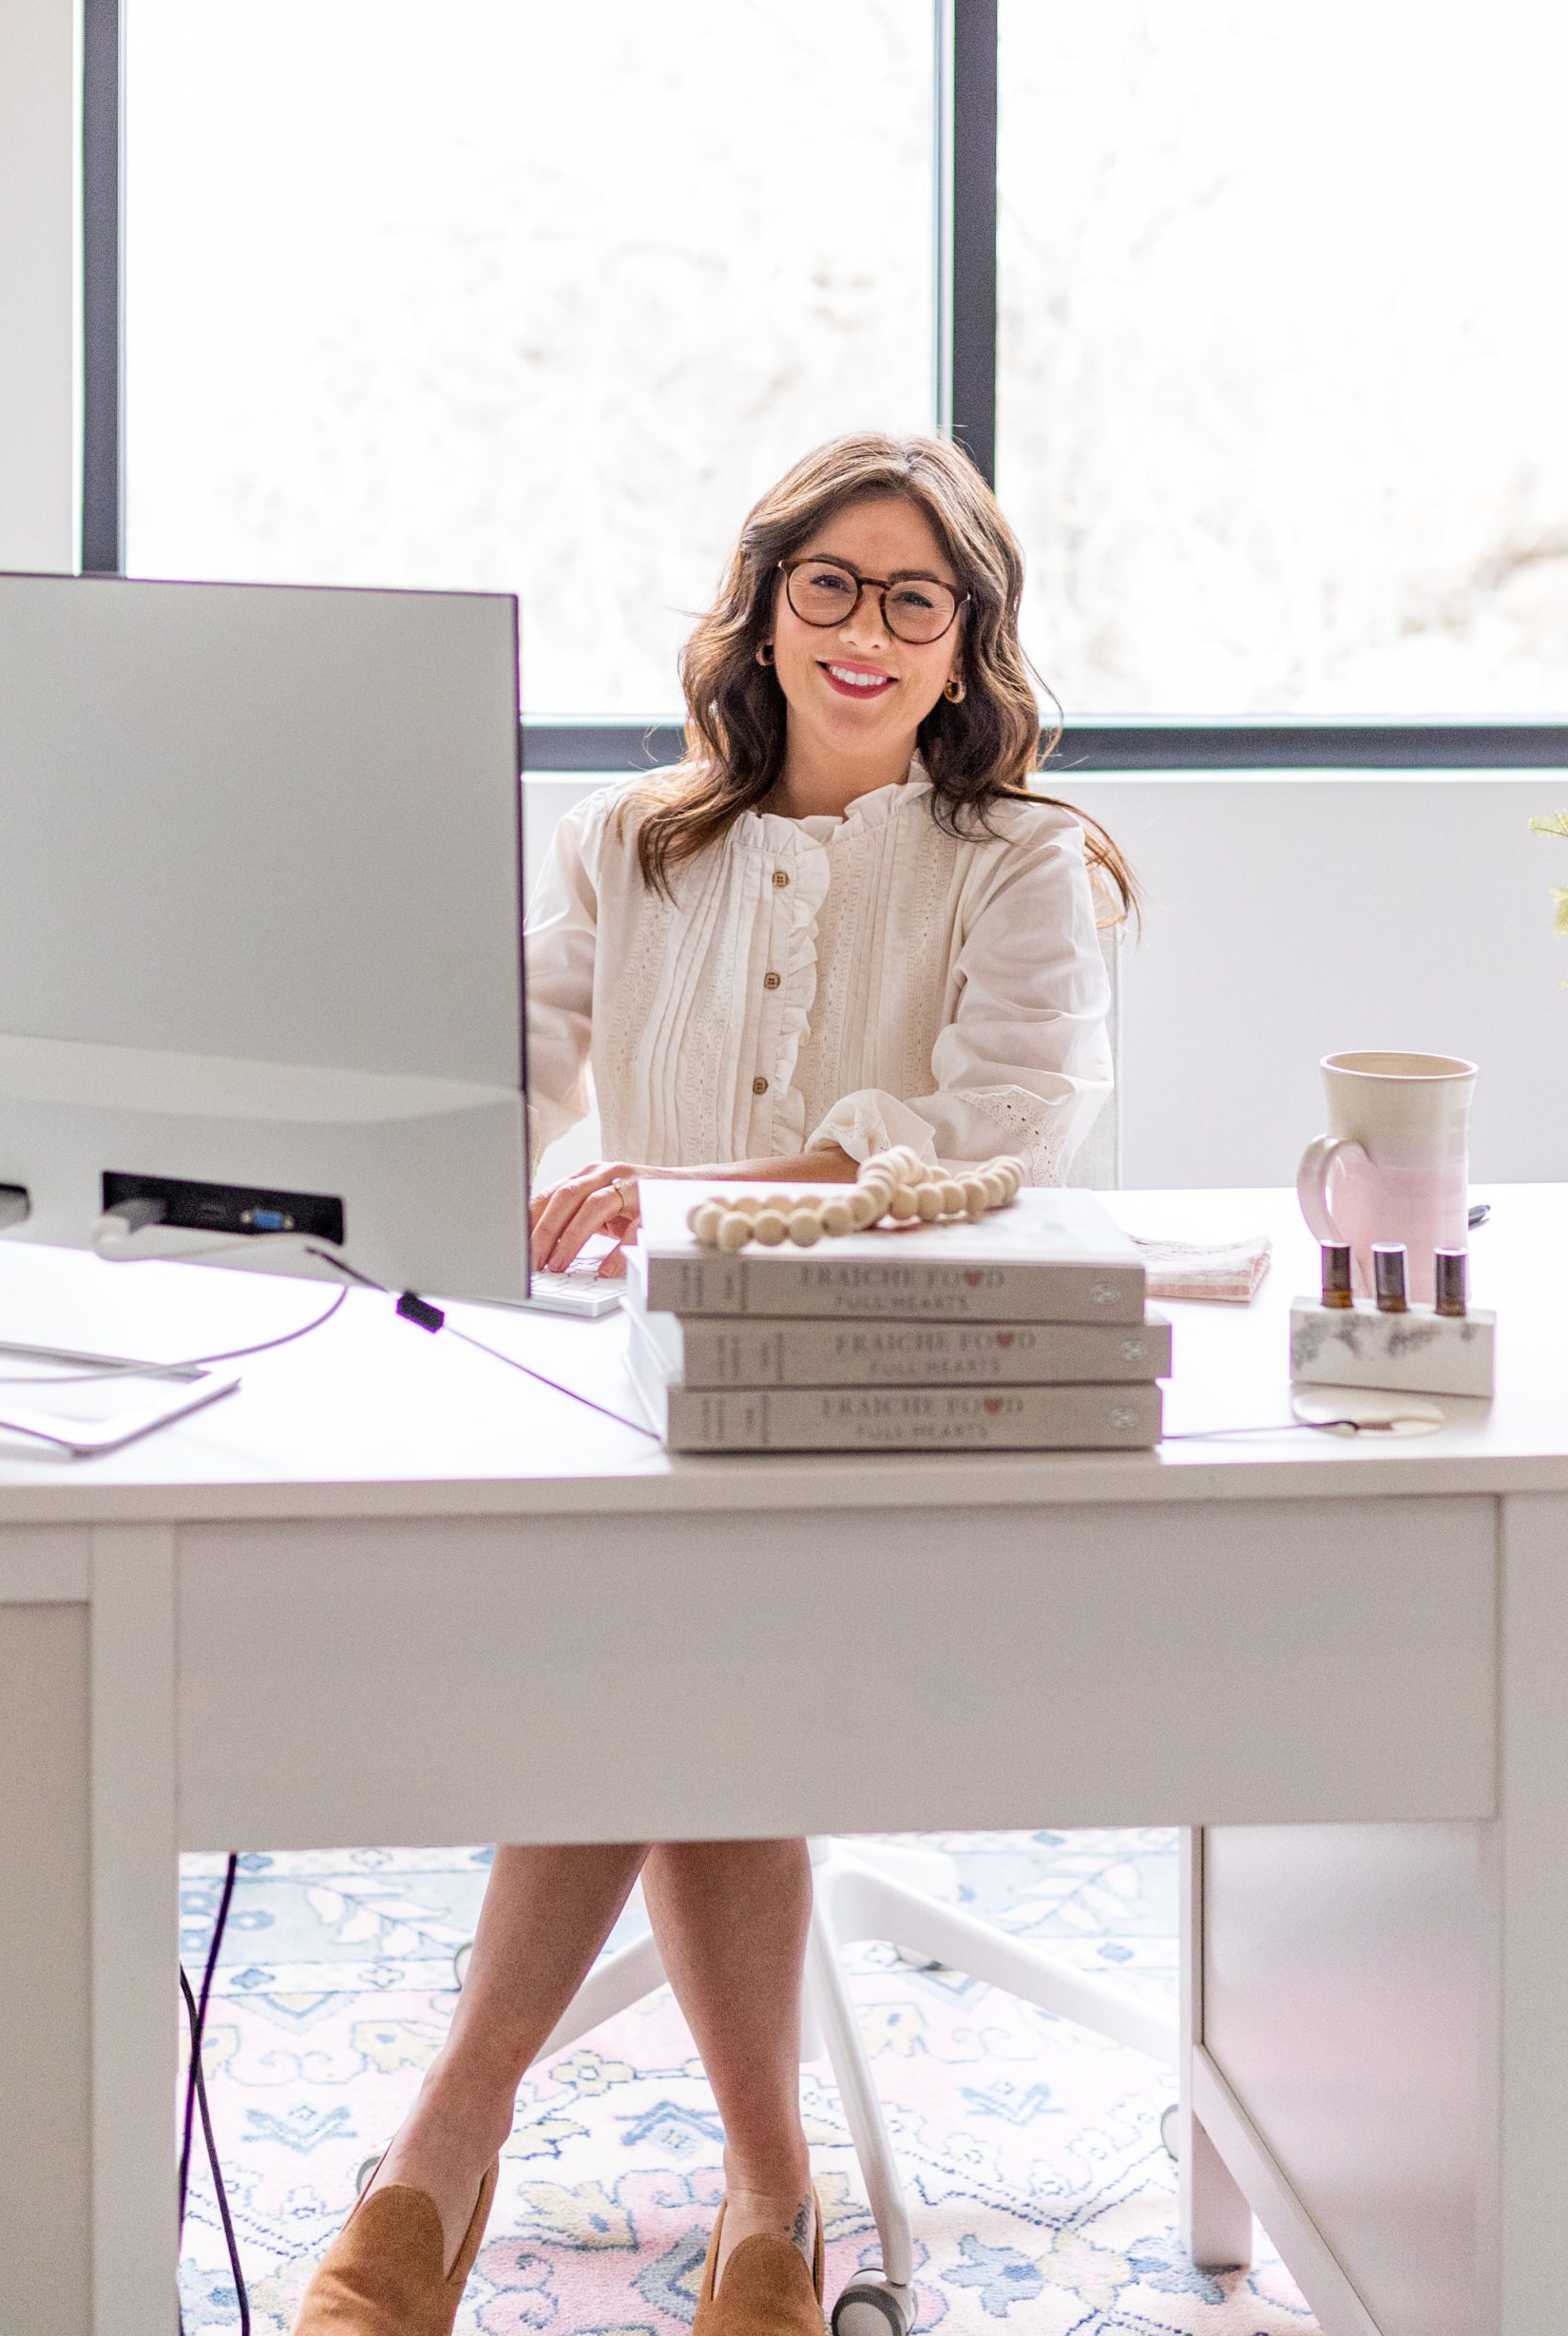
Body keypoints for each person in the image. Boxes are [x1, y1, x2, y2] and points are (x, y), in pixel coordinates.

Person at [290, 431, 1134, 2336]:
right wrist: (409, 1187)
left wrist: (680, 1190)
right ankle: (770, 2199)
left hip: (902, 1408)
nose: (862, 629)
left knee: (664, 1645)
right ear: (761, 608)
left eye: (913, 598)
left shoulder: (1024, 866)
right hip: (651, 1407)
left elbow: (1000, 1127)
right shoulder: (625, 841)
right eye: (824, 582)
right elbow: (507, 1071)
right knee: (671, 1630)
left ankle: (444, 2140)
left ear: (963, 642)